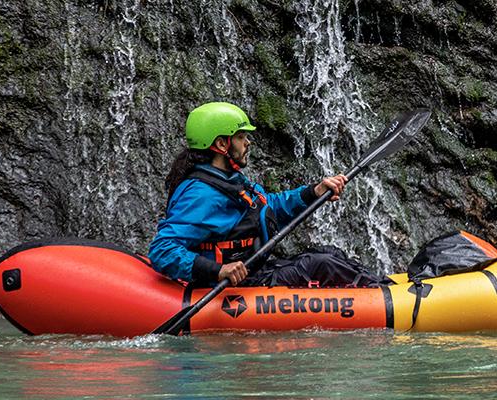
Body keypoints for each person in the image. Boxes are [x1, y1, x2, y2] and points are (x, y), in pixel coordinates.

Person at [148, 102, 387, 288]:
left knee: (327, 253)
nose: (248, 143)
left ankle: (384, 286)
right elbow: (162, 249)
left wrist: (314, 192)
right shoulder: (201, 194)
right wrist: (217, 270)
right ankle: (386, 297)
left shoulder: (229, 179)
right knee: (319, 264)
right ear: (222, 144)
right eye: (241, 137)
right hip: (227, 285)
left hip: (254, 274)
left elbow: (266, 207)